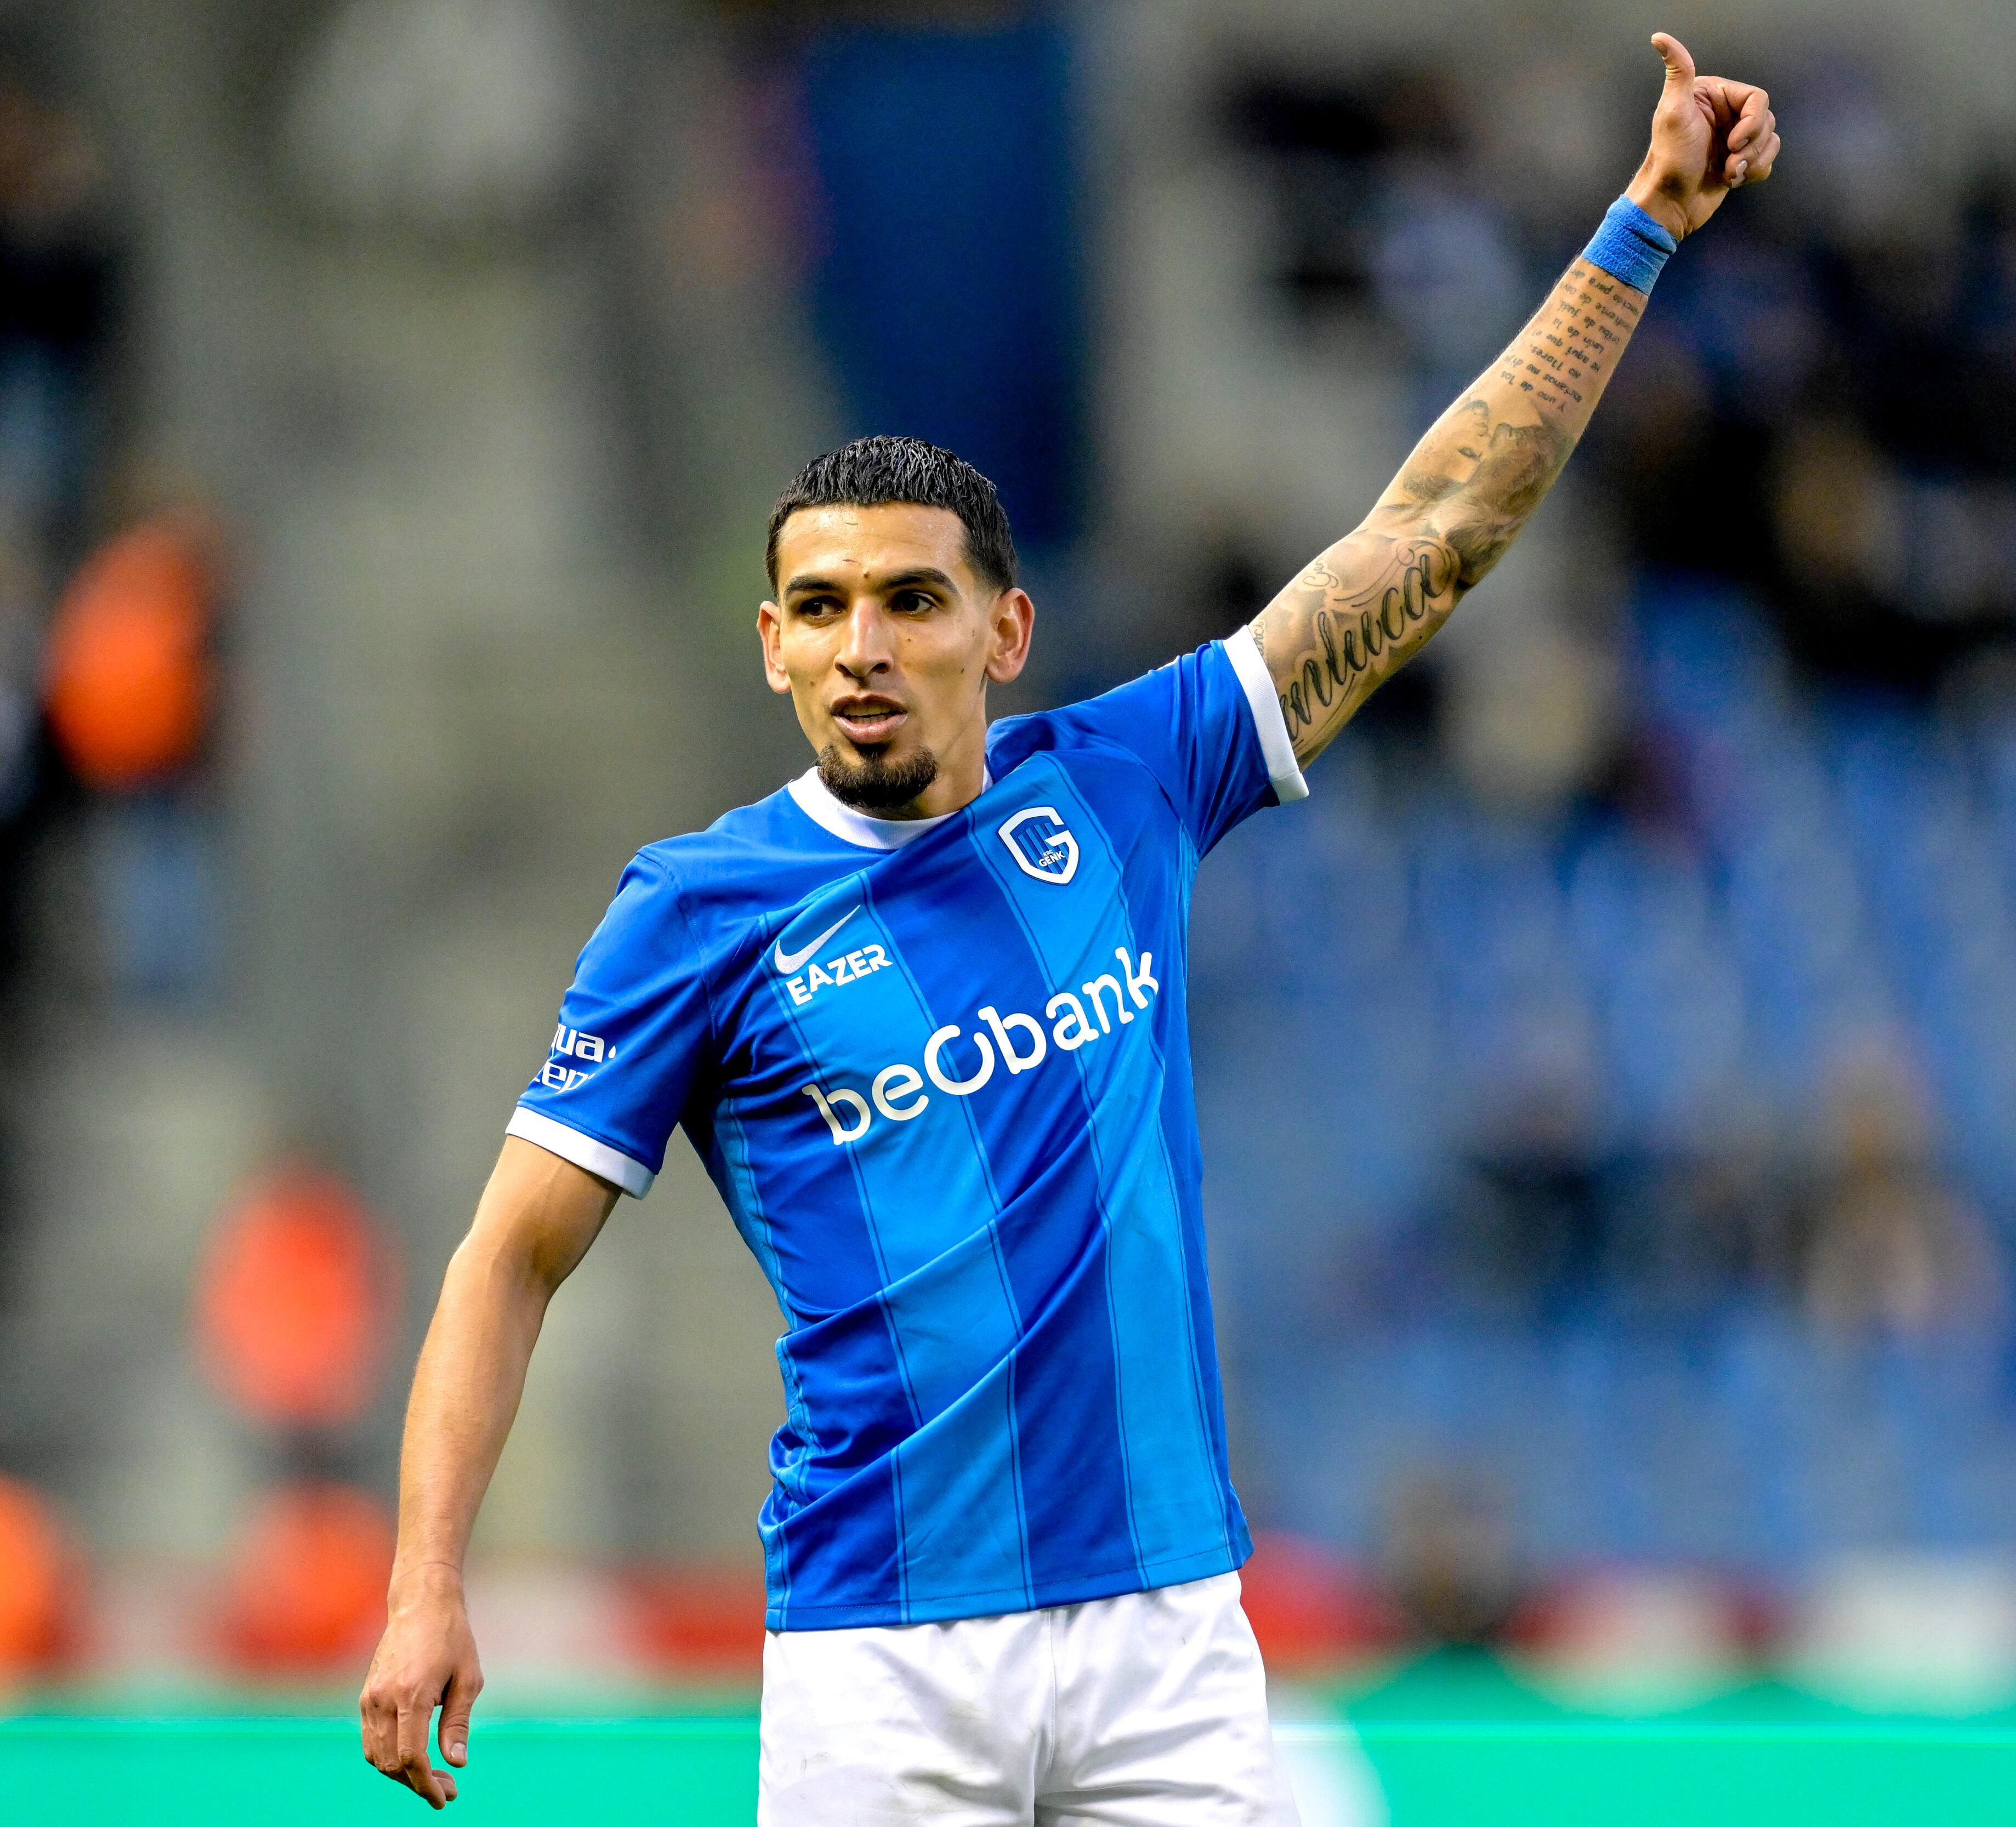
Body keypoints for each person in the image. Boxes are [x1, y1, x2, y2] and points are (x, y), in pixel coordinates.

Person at [359, 33, 1776, 1820]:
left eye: (908, 598)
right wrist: (425, 1584)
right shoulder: (693, 912)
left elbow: (1435, 535)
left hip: (1166, 1643)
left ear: (1005, 632)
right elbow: (504, 1258)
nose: (862, 641)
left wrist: (1643, 226)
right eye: (818, 606)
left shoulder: (1128, 781)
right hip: (881, 1662)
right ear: (772, 647)